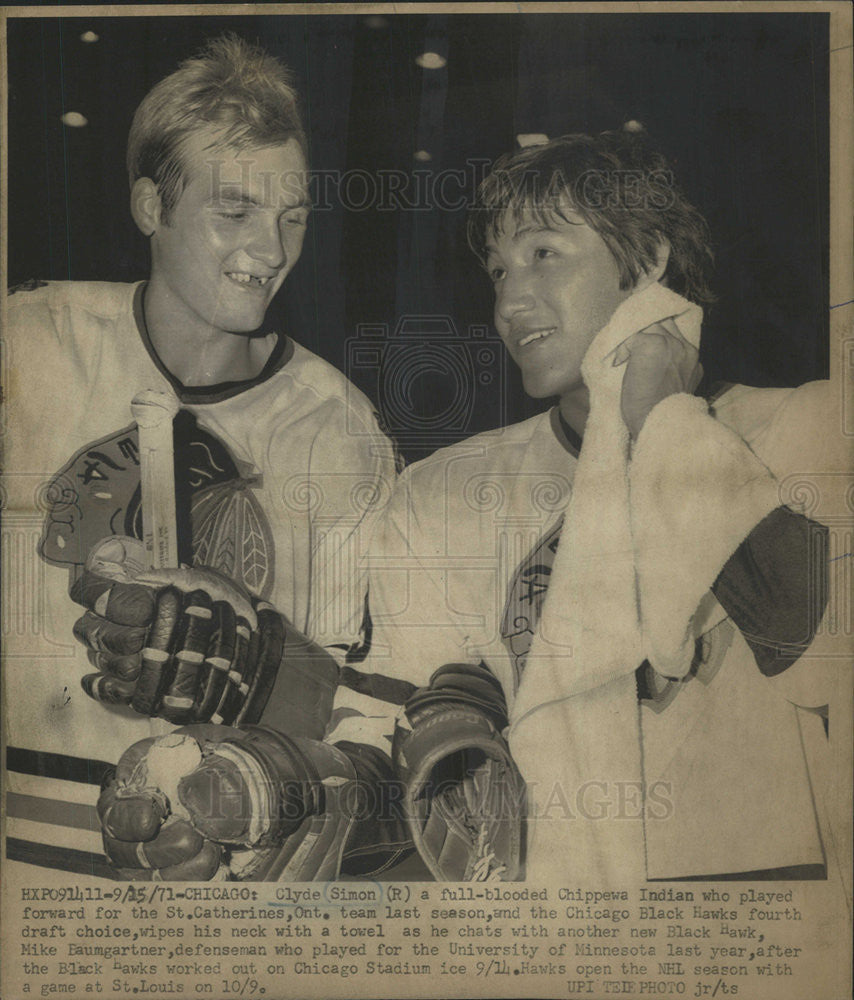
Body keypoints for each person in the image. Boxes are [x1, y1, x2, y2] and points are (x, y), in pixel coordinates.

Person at [319, 127, 849, 884]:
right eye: (498, 268)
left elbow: (831, 662)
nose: (508, 299)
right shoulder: (444, 490)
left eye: (543, 254)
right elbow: (380, 725)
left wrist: (663, 421)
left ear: (650, 260)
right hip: (545, 942)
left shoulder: (806, 429)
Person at [4, 35, 398, 879]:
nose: (271, 249)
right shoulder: (30, 342)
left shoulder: (339, 428)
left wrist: (264, 669)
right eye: (235, 211)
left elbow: (364, 707)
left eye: (292, 216)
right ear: (152, 206)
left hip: (214, 875)